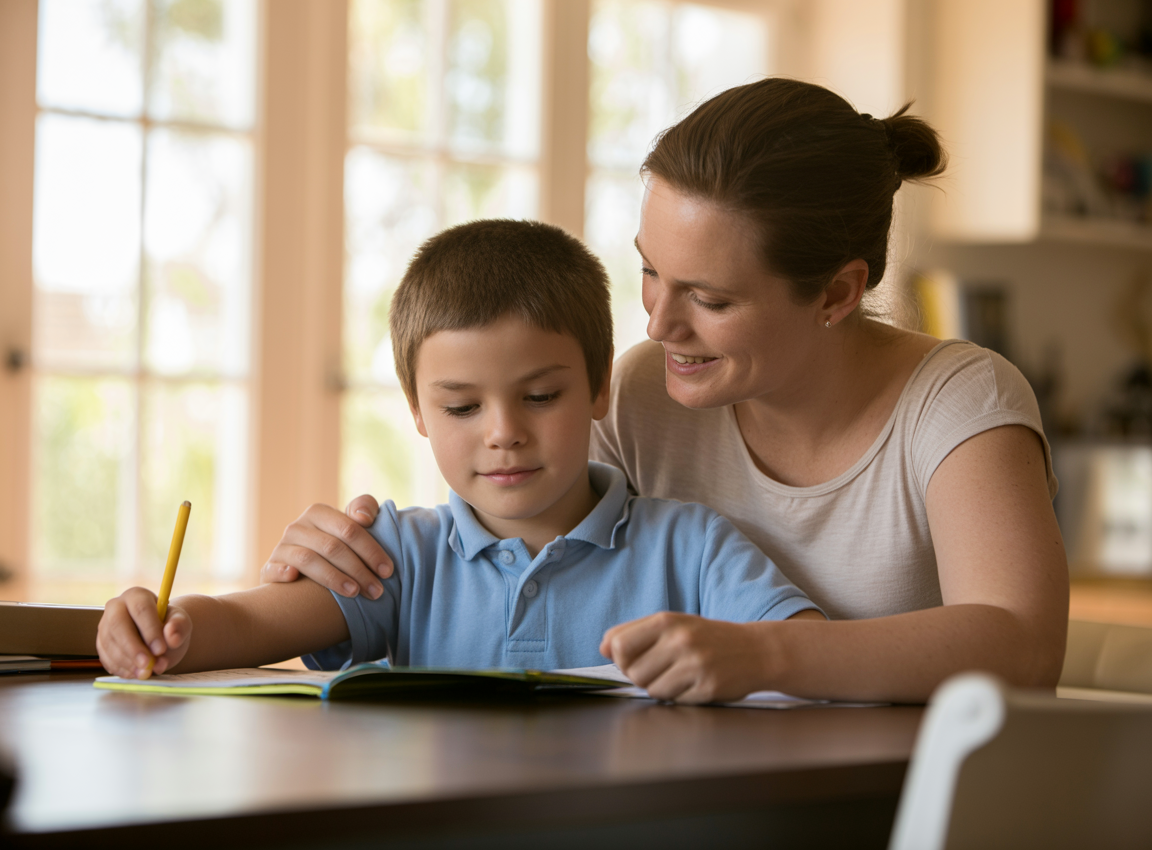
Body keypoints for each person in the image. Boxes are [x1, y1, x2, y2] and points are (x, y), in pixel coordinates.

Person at [261, 78, 1069, 704]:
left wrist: (765, 653)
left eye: (711, 300)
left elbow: (1021, 648)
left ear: (836, 292)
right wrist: (350, 563)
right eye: (651, 271)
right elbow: (527, 528)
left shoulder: (959, 402)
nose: (659, 326)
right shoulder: (651, 390)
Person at [97, 220, 823, 686]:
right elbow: (252, 624)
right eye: (462, 407)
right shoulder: (395, 556)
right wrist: (165, 627)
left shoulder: (693, 549)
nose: (502, 431)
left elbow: (809, 654)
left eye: (541, 396)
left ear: (601, 388)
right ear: (417, 411)